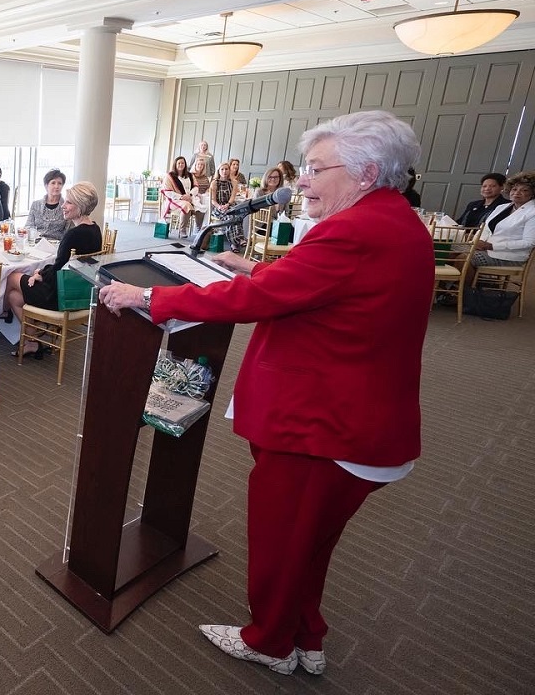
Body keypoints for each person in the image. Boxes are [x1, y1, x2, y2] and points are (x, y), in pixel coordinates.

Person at [98, 110, 433, 678]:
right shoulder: (391, 220)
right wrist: (253, 268)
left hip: (324, 425)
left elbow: (256, 302)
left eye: (316, 169)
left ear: (367, 172)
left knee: (284, 540)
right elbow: (322, 289)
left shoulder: (354, 230)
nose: (303, 181)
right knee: (308, 543)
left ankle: (270, 642)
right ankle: (306, 635)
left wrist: (148, 299)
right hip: (354, 418)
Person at [5, 183, 102, 358]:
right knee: (14, 297)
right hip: (82, 292)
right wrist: (42, 273)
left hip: (59, 295)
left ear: (80, 207)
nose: (63, 206)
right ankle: (31, 342)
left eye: (69, 203)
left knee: (12, 277)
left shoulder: (73, 235)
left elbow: (58, 268)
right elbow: (65, 265)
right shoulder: (95, 229)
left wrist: (39, 274)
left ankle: (24, 329)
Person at [469, 173, 534, 273]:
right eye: (514, 189)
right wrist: (479, 242)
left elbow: (529, 242)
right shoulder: (501, 207)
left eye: (524, 190)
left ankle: (465, 284)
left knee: (463, 258)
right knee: (449, 253)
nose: (517, 193)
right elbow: (486, 228)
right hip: (486, 250)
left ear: (533, 194)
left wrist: (491, 246)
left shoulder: (532, 212)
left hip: (509, 257)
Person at [209, 161, 246, 252]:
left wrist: (228, 204)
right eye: (222, 169)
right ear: (219, 171)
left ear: (229, 170)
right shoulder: (214, 183)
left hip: (230, 205)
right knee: (230, 217)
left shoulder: (234, 182)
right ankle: (236, 242)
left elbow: (233, 197)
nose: (224, 171)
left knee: (238, 216)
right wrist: (219, 206)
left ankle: (234, 243)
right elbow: (213, 200)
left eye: (226, 169)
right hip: (218, 207)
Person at [24, 169, 68, 241]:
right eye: (53, 183)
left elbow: (68, 232)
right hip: (37, 242)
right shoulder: (36, 205)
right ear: (46, 185)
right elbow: (28, 226)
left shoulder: (67, 206)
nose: (56, 186)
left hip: (58, 244)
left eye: (60, 183)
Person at [163, 156, 202, 234]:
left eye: (182, 163)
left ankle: (199, 229)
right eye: (179, 163)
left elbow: (196, 187)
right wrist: (181, 197)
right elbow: (167, 192)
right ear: (175, 164)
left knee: (201, 206)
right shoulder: (169, 176)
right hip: (174, 200)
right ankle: (182, 230)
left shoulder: (190, 175)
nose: (181, 164)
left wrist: (190, 195)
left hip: (189, 197)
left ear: (185, 164)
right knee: (186, 205)